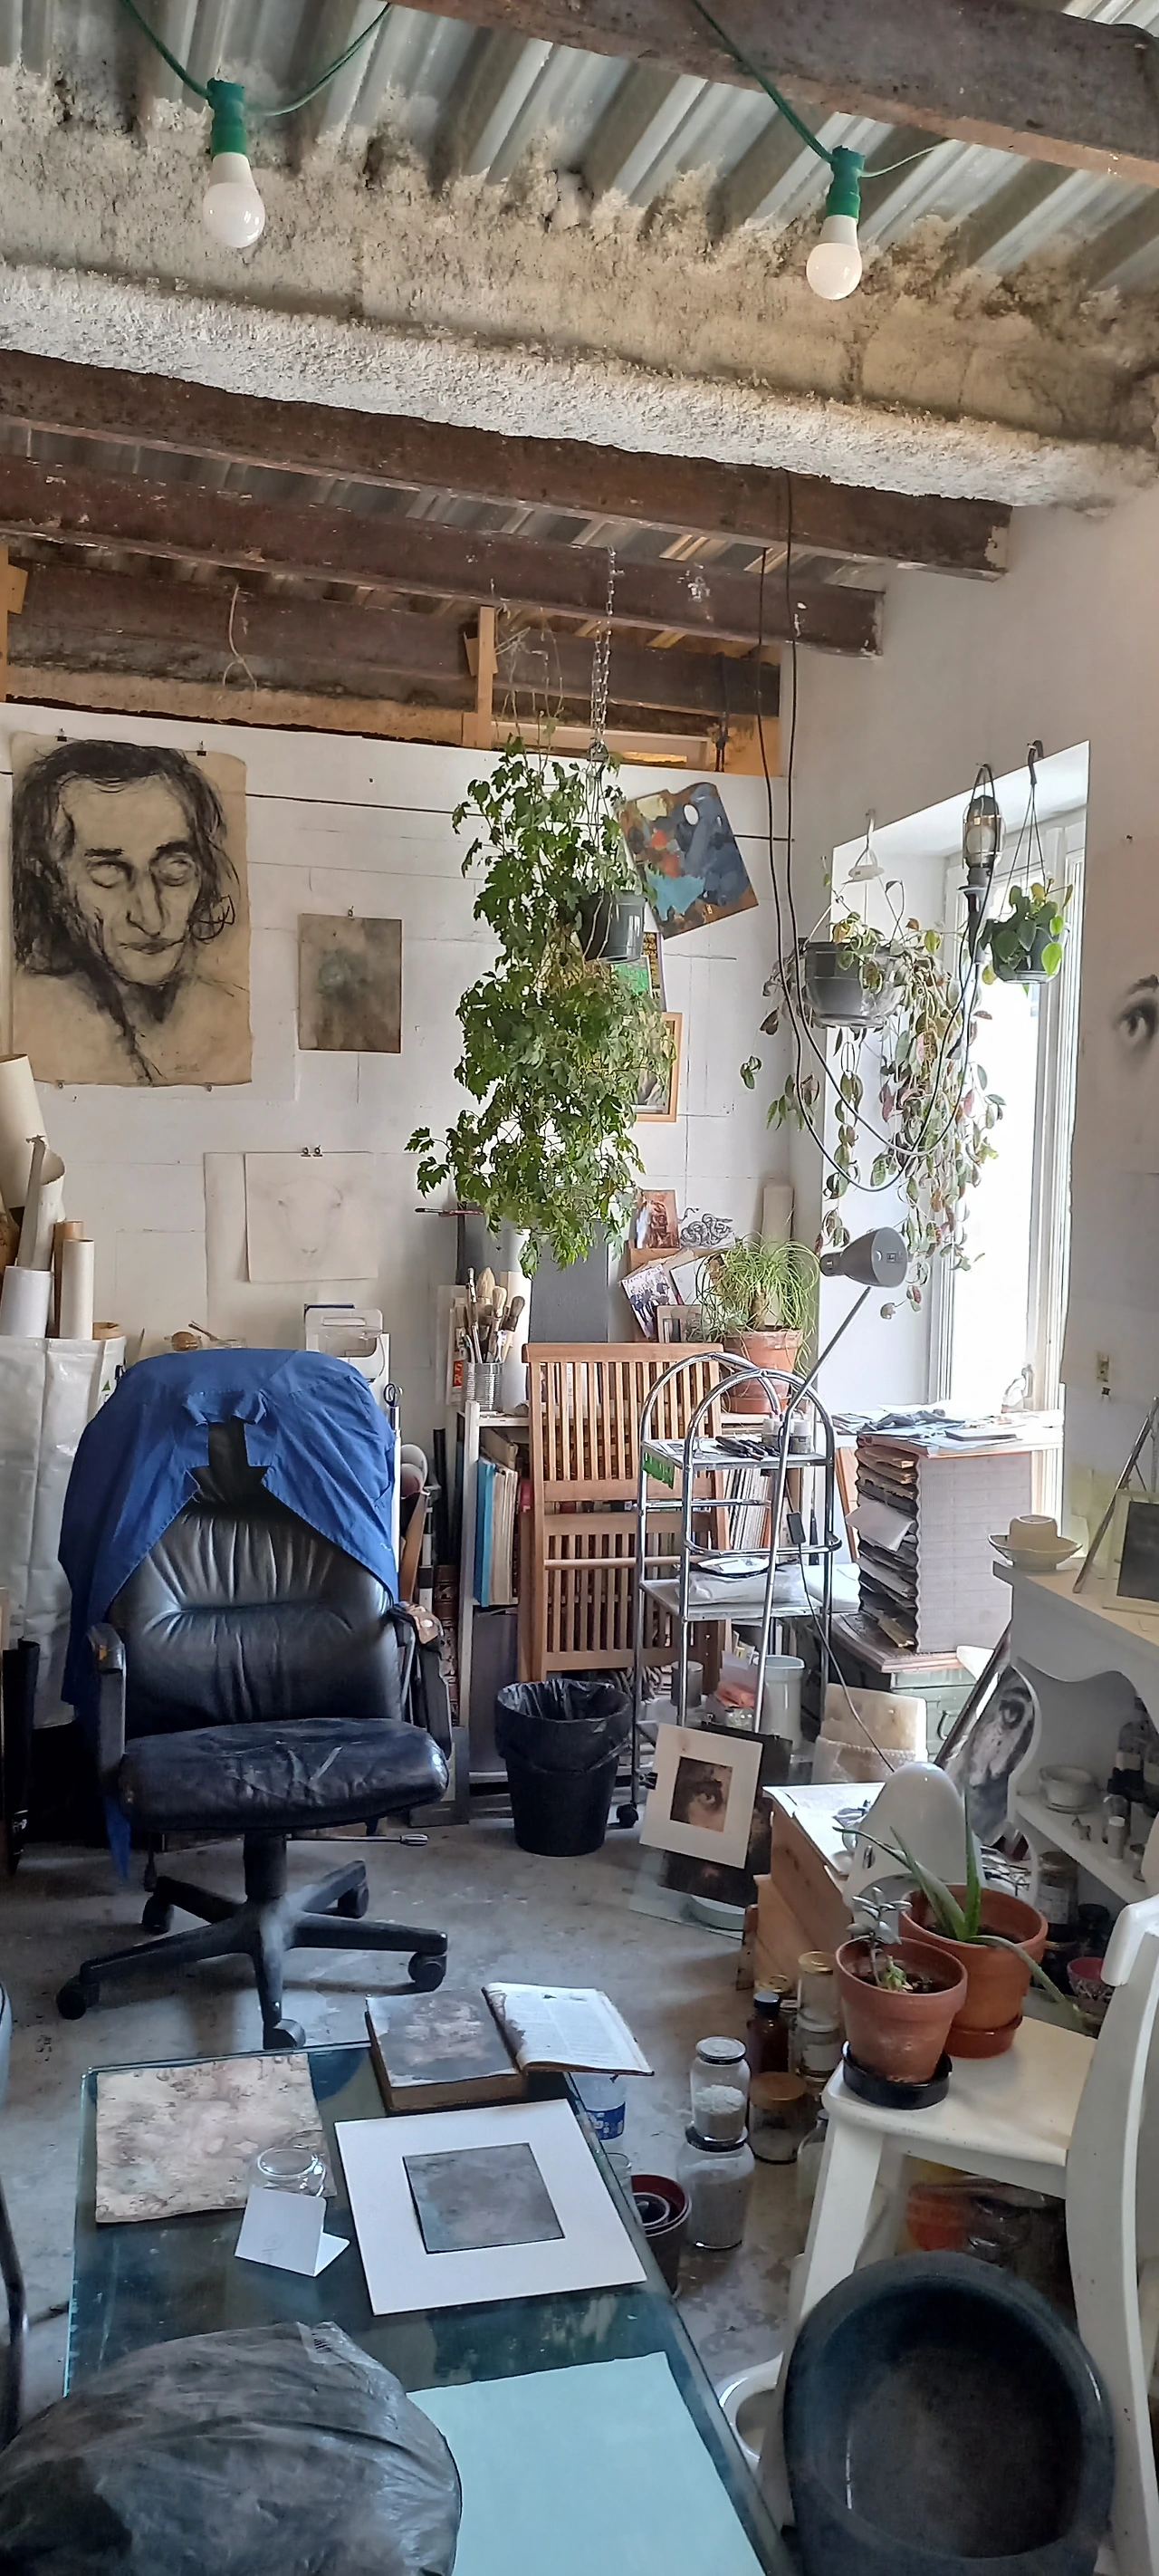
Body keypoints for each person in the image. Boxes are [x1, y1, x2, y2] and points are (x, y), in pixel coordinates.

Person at [12, 738, 251, 1086]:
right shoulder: (29, 1024)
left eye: (174, 869)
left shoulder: (224, 1017)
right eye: (109, 873)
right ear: (52, 883)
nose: (150, 918)